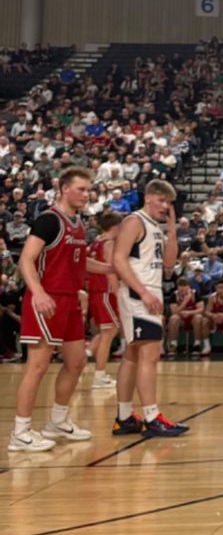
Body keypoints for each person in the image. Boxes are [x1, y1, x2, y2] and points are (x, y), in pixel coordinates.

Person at [8, 166, 100, 453]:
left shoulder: (79, 223)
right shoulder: (49, 221)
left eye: (88, 189)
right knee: (37, 366)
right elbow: (25, 260)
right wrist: (38, 292)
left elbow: (80, 262)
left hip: (70, 300)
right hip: (47, 300)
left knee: (76, 362)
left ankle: (57, 421)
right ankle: (20, 432)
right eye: (81, 189)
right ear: (64, 189)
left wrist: (114, 267)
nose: (86, 194)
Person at [112, 180, 188, 438]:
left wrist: (172, 229)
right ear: (148, 198)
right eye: (162, 201)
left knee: (132, 356)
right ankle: (151, 416)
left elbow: (169, 264)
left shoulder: (155, 226)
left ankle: (124, 418)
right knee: (150, 354)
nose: (166, 207)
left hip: (148, 293)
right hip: (138, 294)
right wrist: (143, 292)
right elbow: (118, 259)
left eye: (169, 203)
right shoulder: (134, 221)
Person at [85, 210, 121, 389]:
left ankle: (87, 354)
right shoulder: (109, 243)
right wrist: (117, 291)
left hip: (95, 291)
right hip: (105, 291)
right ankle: (99, 375)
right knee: (109, 332)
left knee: (106, 331)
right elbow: (111, 270)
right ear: (115, 227)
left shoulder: (95, 241)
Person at [166, 277, 207, 356]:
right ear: (177, 287)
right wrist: (185, 301)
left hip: (192, 318)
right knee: (174, 318)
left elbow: (201, 309)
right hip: (180, 319)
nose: (182, 288)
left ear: (189, 287)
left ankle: (197, 344)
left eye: (184, 285)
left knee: (198, 317)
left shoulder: (195, 294)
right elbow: (174, 312)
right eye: (180, 286)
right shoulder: (174, 295)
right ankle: (173, 345)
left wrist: (189, 312)